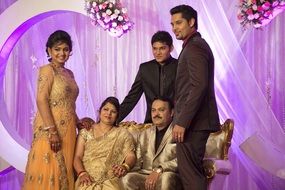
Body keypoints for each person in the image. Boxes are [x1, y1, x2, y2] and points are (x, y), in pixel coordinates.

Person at [170, 4, 220, 190]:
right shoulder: (193, 46)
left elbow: (199, 86)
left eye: (179, 22)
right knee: (190, 174)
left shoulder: (195, 47)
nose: (175, 27)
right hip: (193, 122)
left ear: (192, 22)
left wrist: (182, 121)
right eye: (172, 24)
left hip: (193, 123)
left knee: (191, 176)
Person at [22, 30, 79, 190]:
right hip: (50, 129)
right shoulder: (47, 70)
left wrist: (78, 121)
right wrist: (52, 131)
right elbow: (41, 99)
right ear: (49, 50)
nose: (62, 53)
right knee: (48, 171)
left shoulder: (70, 73)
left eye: (66, 49)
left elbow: (69, 103)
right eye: (57, 49)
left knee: (65, 171)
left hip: (68, 130)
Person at [73, 97, 136, 190]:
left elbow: (131, 156)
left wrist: (125, 166)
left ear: (117, 115)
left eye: (113, 111)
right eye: (105, 109)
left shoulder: (123, 133)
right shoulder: (86, 131)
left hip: (110, 180)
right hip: (86, 178)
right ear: (99, 111)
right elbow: (77, 157)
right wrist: (82, 173)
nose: (108, 114)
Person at [121, 97, 181, 190]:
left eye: (161, 110)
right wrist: (124, 168)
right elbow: (137, 162)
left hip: (168, 174)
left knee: (166, 178)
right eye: (153, 110)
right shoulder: (144, 134)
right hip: (146, 175)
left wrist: (159, 170)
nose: (156, 114)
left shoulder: (178, 132)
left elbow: (182, 160)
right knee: (127, 179)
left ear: (172, 112)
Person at [118, 31, 178, 123]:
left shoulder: (180, 66)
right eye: (155, 48)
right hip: (151, 122)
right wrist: (113, 120)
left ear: (171, 48)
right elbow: (132, 97)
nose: (158, 52)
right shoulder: (145, 69)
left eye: (162, 48)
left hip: (176, 123)